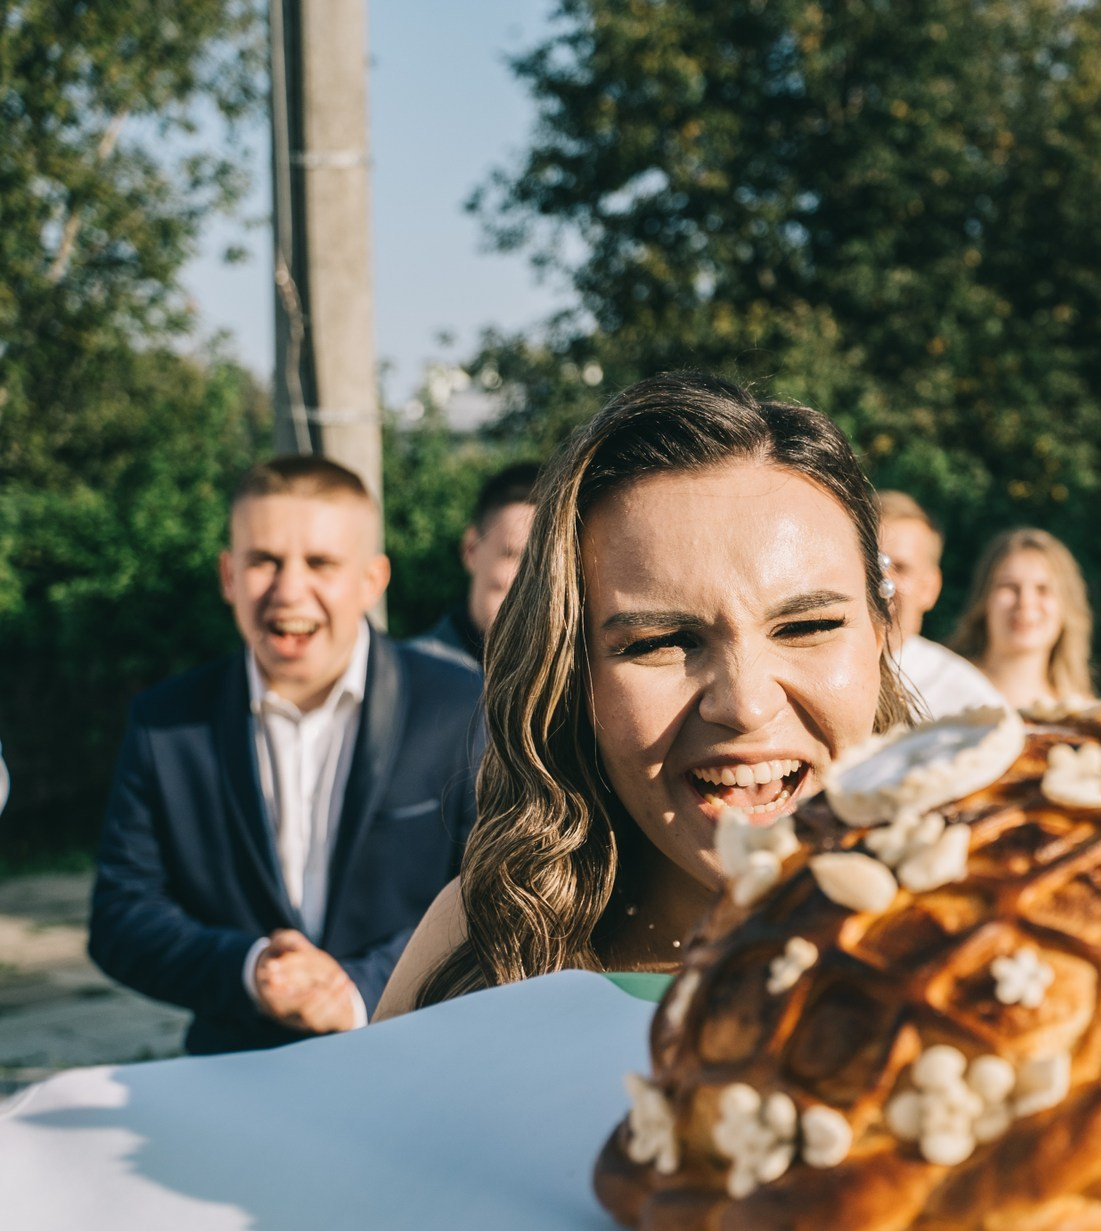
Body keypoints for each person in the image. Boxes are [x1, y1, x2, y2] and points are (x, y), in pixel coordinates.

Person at [376, 373, 913, 1014]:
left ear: (881, 636)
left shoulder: (1017, 927)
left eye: (806, 627)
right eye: (662, 641)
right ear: (572, 673)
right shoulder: (481, 945)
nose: (745, 705)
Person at [89, 456, 484, 1053]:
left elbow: (499, 892)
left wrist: (357, 989)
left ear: (372, 581)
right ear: (228, 574)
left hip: (415, 1058)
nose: (289, 590)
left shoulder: (462, 708)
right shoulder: (165, 722)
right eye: (263, 561)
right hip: (236, 1073)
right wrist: (252, 969)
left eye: (321, 562)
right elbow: (122, 917)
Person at [874, 490, 1006, 719]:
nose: (881, 581)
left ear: (930, 588)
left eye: (901, 568)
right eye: (870, 563)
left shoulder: (970, 702)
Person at [412, 462, 542, 670]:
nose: (530, 580)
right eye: (514, 555)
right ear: (471, 549)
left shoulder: (583, 681)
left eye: (545, 563)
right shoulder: (411, 677)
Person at [950, 526, 1096, 710]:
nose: (1025, 602)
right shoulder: (945, 687)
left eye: (1043, 589)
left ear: (1067, 607)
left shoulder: (1084, 712)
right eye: (1009, 586)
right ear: (984, 599)